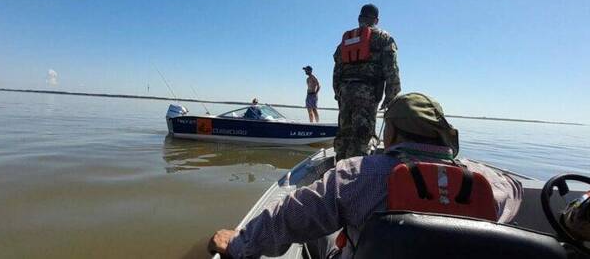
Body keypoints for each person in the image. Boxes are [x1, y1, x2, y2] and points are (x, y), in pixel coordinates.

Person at [208, 93, 523, 258]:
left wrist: (239, 243)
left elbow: (291, 217)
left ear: (392, 133)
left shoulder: (357, 175)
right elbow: (516, 190)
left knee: (321, 229)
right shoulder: (494, 185)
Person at [333, 4, 401, 160]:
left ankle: (338, 171)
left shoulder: (345, 42)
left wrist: (339, 94)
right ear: (376, 20)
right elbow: (392, 70)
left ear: (359, 19)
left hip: (345, 92)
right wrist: (390, 97)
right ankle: (356, 177)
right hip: (368, 94)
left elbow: (336, 72)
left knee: (344, 133)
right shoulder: (383, 38)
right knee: (362, 135)